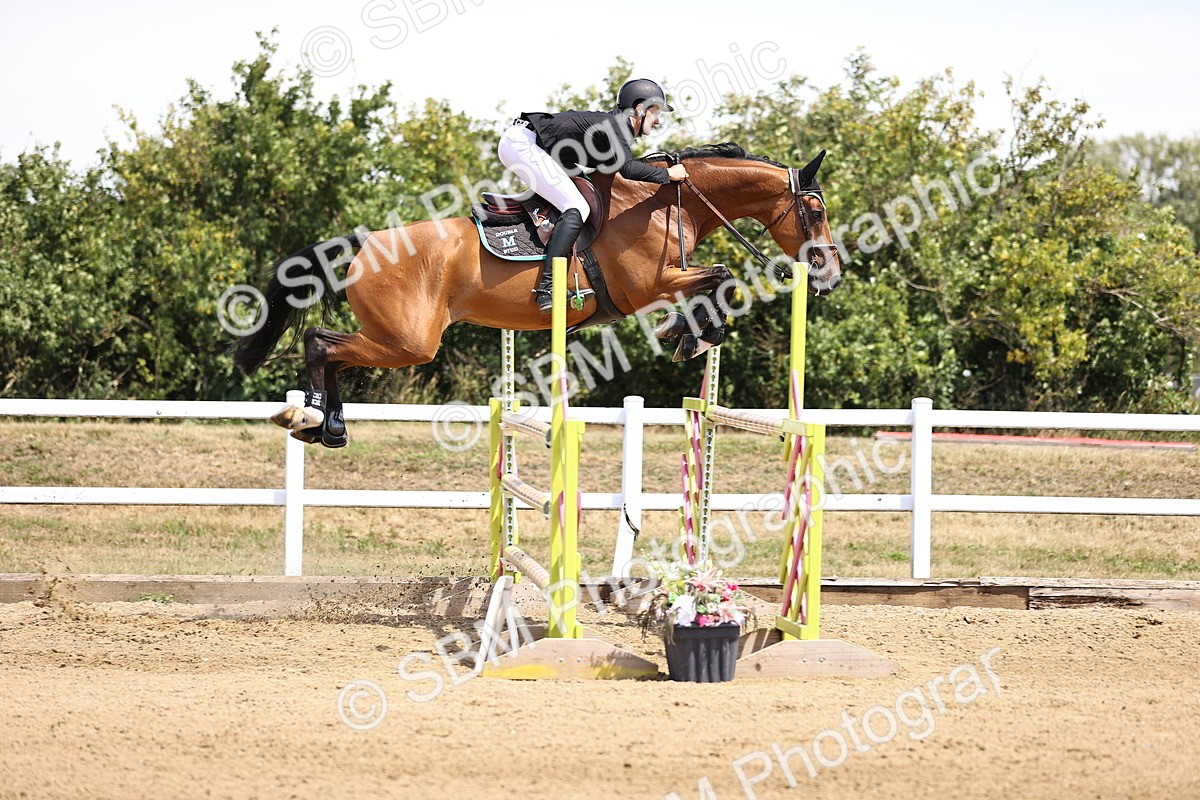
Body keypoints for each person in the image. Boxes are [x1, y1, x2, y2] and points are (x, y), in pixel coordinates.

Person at [497, 78, 689, 312]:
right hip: (523, 144)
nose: (658, 121)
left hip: (533, 145)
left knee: (578, 198)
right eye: (656, 112)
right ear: (639, 108)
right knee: (577, 207)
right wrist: (667, 174)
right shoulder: (616, 126)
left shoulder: (615, 128)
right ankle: (548, 288)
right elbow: (628, 169)